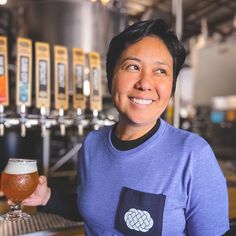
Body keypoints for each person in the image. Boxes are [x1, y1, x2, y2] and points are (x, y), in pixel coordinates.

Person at [22, 19, 229, 235]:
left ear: (172, 85)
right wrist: (46, 197)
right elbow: (94, 209)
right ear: (111, 76)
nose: (145, 83)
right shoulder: (93, 144)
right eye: (133, 66)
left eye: (160, 71)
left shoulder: (193, 154)